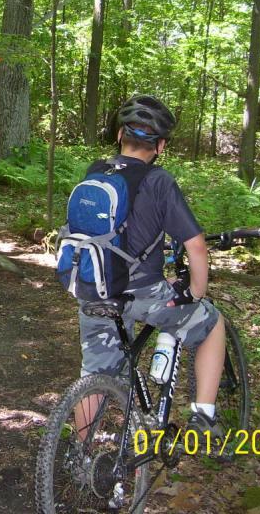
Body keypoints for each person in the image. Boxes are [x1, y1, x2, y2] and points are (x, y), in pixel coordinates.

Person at [76, 94, 226, 440]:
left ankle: (79, 457)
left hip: (94, 287)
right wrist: (196, 293)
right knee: (213, 323)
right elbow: (196, 247)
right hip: (144, 292)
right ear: (160, 146)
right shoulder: (159, 181)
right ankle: (204, 415)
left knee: (94, 375)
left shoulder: (95, 171)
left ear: (119, 137)